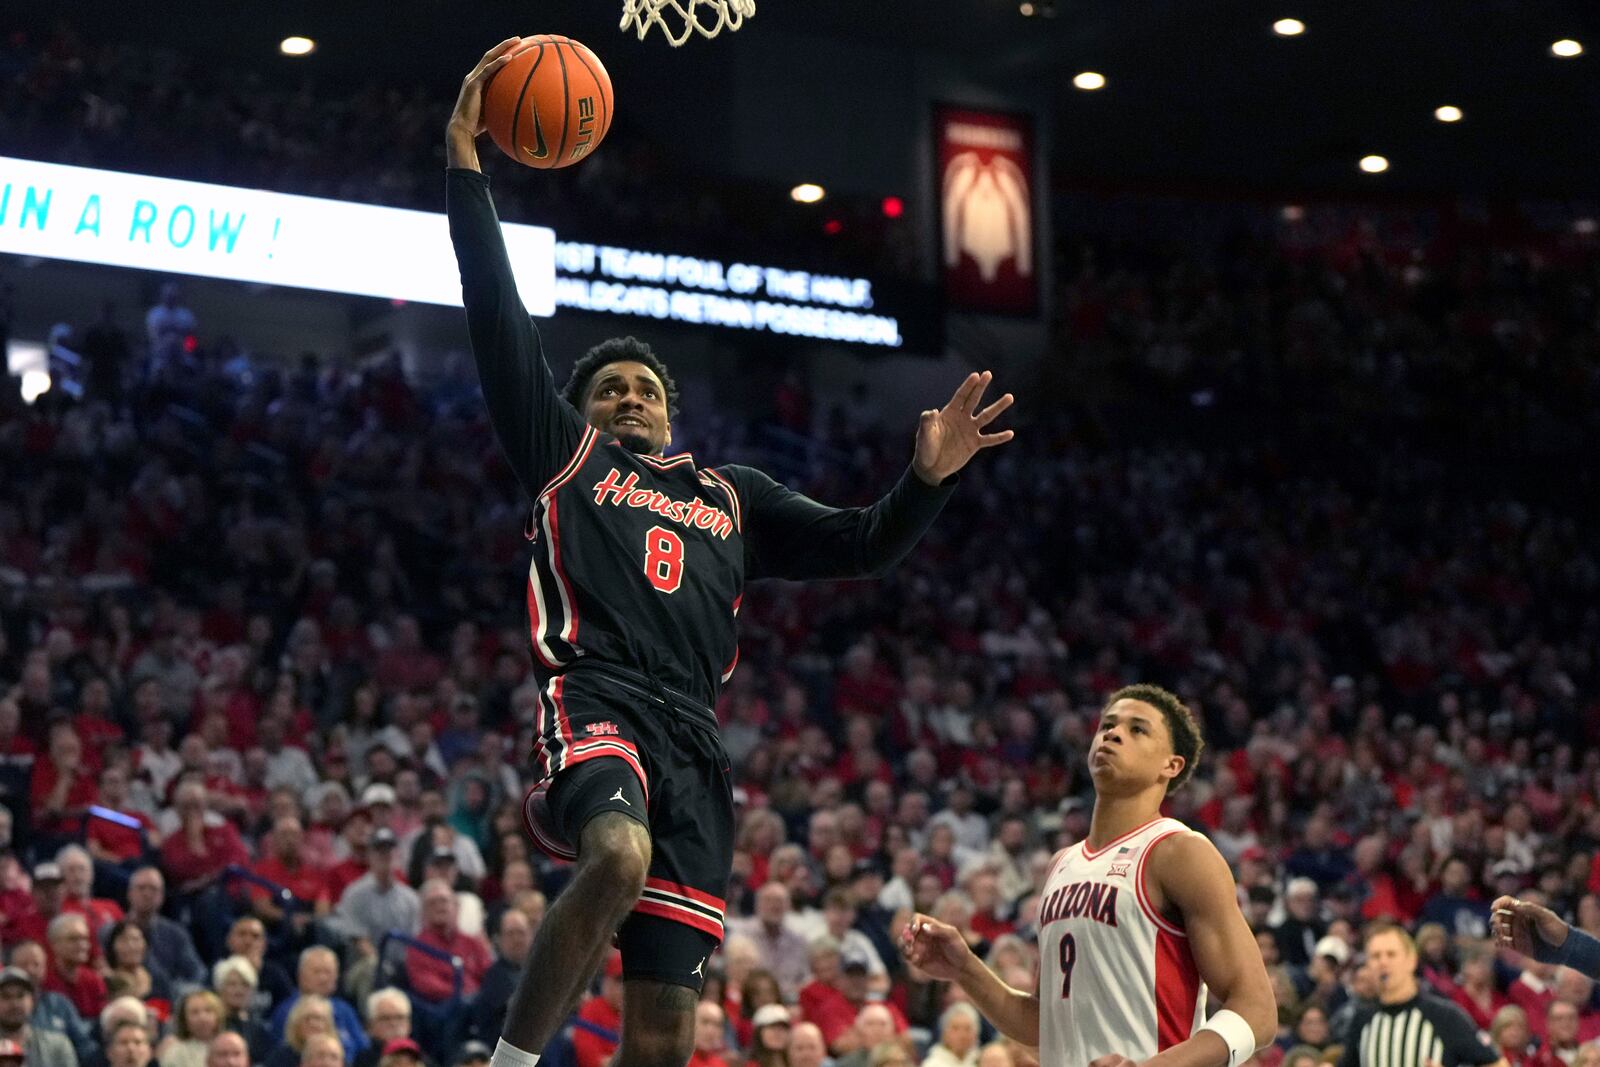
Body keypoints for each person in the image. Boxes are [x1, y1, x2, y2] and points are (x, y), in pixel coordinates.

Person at [445, 38, 1014, 1067]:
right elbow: (497, 319)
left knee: (665, 1027)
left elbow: (864, 545)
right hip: (602, 698)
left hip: (697, 746)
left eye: (646, 390)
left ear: (672, 414)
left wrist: (925, 478)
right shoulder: (563, 458)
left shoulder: (731, 494)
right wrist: (466, 170)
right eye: (609, 387)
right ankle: (509, 1060)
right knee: (613, 854)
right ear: (577, 411)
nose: (629, 397)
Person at [901, 685, 1276, 1067]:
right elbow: (1042, 1029)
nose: (1113, 733)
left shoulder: (1179, 852)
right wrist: (965, 969)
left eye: (1137, 730)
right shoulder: (1062, 864)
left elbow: (1258, 1011)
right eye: (1107, 725)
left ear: (1171, 765)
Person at [1337, 924, 1505, 1067]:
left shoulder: (1444, 1016)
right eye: (1375, 956)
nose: (1383, 962)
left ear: (1412, 960)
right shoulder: (1362, 1019)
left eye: (1391, 954)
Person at [122, 869, 206, 989]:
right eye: (141, 888)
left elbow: (197, 973)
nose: (147, 894)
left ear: (161, 896)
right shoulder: (111, 931)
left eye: (153, 889)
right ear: (129, 893)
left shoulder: (176, 934)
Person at [0, 966, 79, 1067]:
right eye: (6, 996)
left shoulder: (57, 1046)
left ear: (32, 1001)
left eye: (21, 995)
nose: (14, 1003)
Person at [157, 992, 225, 1067]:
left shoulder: (230, 1047)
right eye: (195, 1012)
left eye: (208, 1010)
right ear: (184, 1019)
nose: (202, 1018)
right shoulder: (176, 1052)